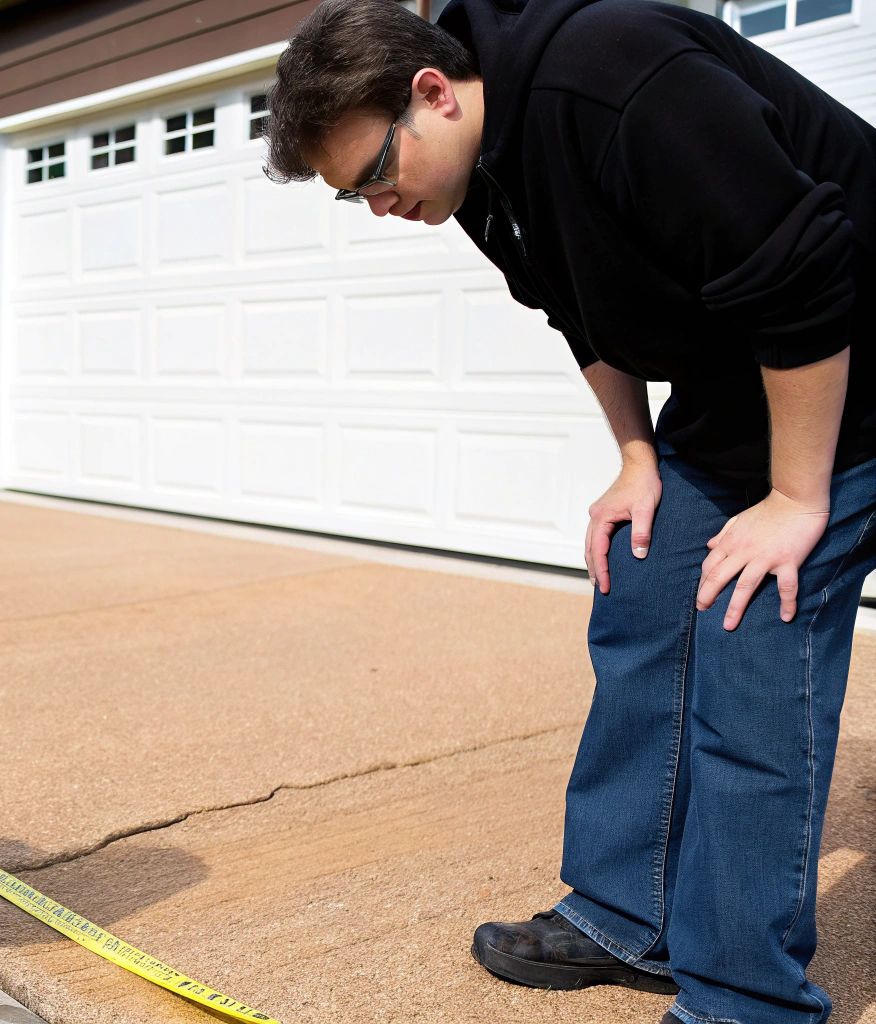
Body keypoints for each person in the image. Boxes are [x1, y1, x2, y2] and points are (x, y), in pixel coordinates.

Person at [262, 1, 876, 1022]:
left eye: (373, 174)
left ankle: (744, 999)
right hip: (743, 379)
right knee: (641, 576)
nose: (377, 206)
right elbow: (575, 309)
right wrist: (636, 456)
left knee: (750, 632)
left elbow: (806, 276)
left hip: (845, 364)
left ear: (431, 92)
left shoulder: (615, 77)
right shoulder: (472, 174)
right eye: (350, 196)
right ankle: (628, 917)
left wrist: (792, 497)